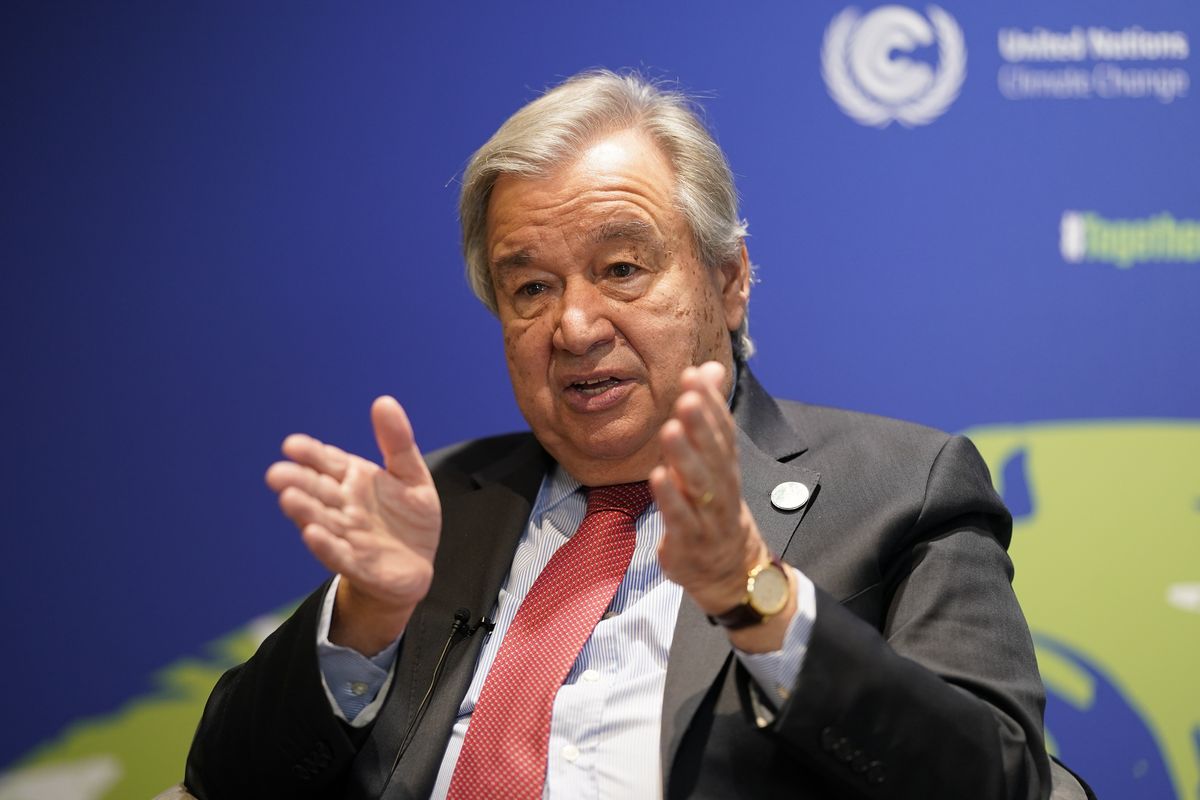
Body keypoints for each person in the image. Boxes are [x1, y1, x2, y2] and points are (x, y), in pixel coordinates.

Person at [184, 69, 1059, 799]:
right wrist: (367, 618)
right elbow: (222, 778)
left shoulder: (901, 488)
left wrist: (757, 599)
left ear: (730, 282)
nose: (574, 326)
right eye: (529, 288)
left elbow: (1001, 778)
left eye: (621, 269)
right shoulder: (443, 506)